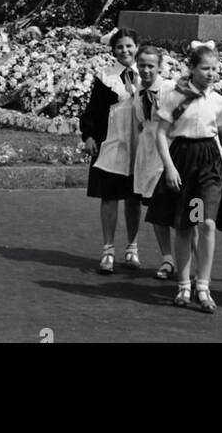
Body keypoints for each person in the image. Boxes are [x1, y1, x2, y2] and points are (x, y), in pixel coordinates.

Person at [148, 41, 222, 312]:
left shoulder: (219, 101)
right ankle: (184, 285)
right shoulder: (176, 97)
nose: (210, 74)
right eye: (205, 68)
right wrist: (170, 166)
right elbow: (161, 133)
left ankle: (203, 285)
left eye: (214, 69)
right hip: (184, 161)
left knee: (207, 223)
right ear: (192, 68)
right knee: (187, 224)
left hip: (209, 163)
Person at [80, 28, 141, 274]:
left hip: (138, 145)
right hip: (112, 142)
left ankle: (132, 248)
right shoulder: (106, 77)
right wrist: (89, 135)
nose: (125, 51)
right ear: (113, 50)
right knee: (109, 196)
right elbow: (93, 110)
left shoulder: (147, 73)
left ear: (137, 46)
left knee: (133, 198)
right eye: (119, 47)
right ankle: (108, 251)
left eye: (129, 46)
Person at [132, 43, 177, 279]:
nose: (146, 70)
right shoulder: (139, 91)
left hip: (173, 154)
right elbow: (141, 121)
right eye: (142, 65)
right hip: (149, 156)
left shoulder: (171, 90)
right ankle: (168, 259)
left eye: (151, 66)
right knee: (156, 209)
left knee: (197, 214)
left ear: (160, 67)